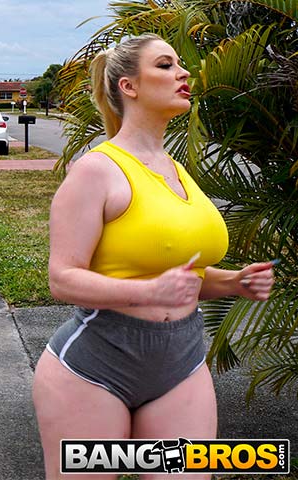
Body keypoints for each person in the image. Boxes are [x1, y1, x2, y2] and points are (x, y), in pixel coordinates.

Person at [31, 33, 275, 480]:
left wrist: (234, 281)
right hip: (95, 365)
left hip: (181, 362)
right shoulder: (96, 170)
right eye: (165, 65)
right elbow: (62, 278)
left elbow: (182, 276)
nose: (184, 73)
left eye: (179, 64)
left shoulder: (177, 169)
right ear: (129, 86)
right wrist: (147, 291)